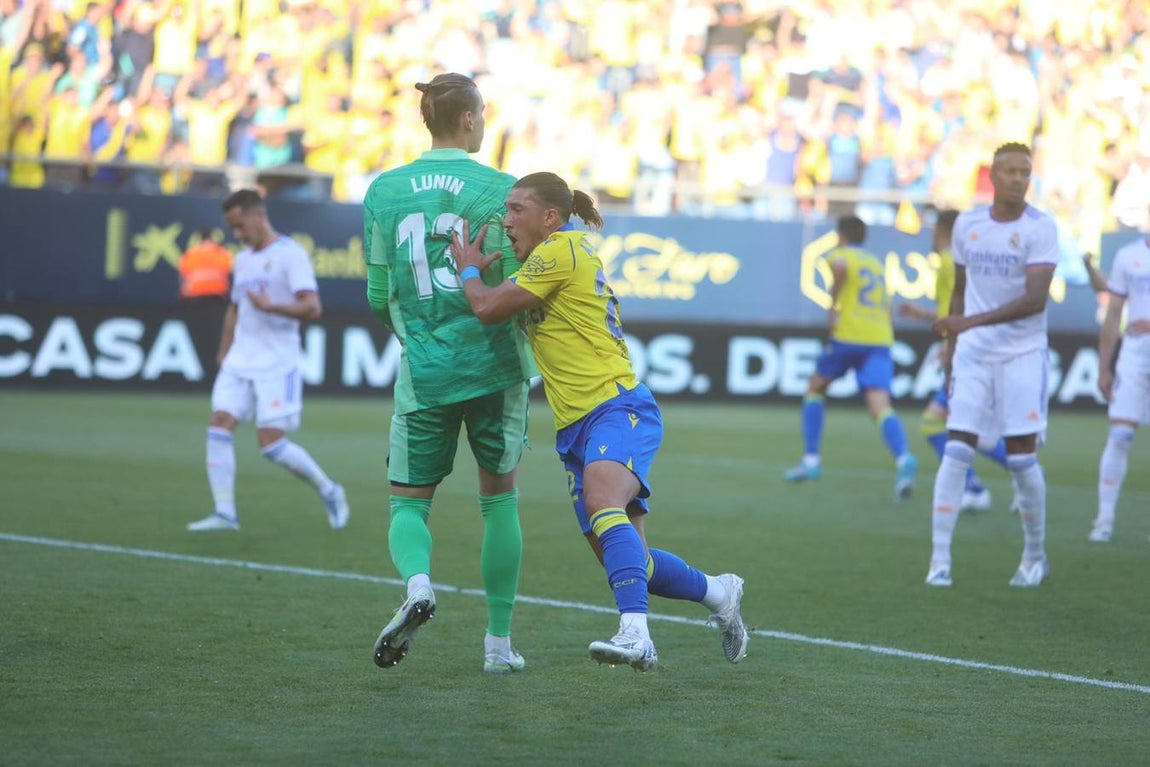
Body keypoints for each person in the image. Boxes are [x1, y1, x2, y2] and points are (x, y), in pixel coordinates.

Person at [449, 172, 748, 673]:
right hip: (575, 428)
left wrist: (468, 271)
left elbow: (486, 306)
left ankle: (637, 636)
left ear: (550, 216)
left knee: (603, 503)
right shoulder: (547, 259)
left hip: (617, 406)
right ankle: (720, 594)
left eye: (516, 210)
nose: (506, 221)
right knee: (632, 561)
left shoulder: (561, 249)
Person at [363, 73, 534, 675]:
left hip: (426, 368)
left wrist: (418, 339)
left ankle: (417, 585)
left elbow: (380, 292)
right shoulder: (500, 189)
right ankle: (498, 645)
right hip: (494, 364)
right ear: (467, 120)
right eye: (483, 114)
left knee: (408, 503)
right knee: (499, 500)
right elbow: (517, 285)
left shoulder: (384, 190)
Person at [926, 142, 1058, 588]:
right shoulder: (969, 224)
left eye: (1026, 172)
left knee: (1021, 460)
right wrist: (953, 345)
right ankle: (939, 561)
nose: (1020, 179)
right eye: (1011, 171)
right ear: (993, 177)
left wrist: (967, 322)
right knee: (957, 448)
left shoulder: (1041, 228)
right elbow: (959, 292)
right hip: (974, 354)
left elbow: (1034, 300)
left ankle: (1035, 556)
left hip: (1022, 353)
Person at [187, 189, 350, 533]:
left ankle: (329, 490)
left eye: (240, 225)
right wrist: (224, 350)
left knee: (271, 444)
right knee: (219, 425)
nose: (238, 234)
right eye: (232, 228)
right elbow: (235, 308)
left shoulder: (290, 255)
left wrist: (272, 307)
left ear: (258, 216)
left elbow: (312, 307)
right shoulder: (243, 259)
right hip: (240, 359)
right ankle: (225, 513)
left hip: (278, 360)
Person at [784, 215, 918, 499]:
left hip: (849, 334)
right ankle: (904, 457)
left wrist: (833, 306)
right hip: (880, 338)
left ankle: (811, 461)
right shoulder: (875, 263)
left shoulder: (840, 255)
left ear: (840, 234)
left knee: (815, 387)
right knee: (879, 405)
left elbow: (841, 268)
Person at [899, 209, 1013, 513]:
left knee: (937, 424)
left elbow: (957, 314)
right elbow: (954, 314)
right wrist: (923, 316)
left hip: (964, 356)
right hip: (975, 349)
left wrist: (950, 345)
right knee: (961, 426)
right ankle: (996, 479)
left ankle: (1003, 477)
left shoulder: (949, 264)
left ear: (940, 230)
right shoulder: (968, 262)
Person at [1088, 231, 1150, 542]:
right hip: (1135, 356)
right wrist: (1104, 366)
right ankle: (1104, 520)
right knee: (1121, 435)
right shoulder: (1128, 255)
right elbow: (1113, 314)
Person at [178, 226, 233, 306]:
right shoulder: (222, 253)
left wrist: (184, 299)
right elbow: (228, 274)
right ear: (211, 237)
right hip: (218, 296)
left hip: (195, 297)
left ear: (200, 238)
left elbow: (184, 280)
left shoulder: (190, 254)